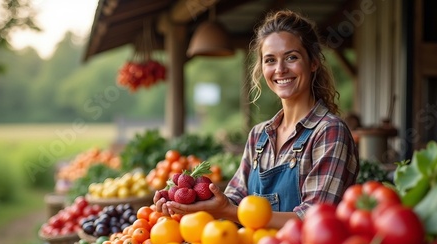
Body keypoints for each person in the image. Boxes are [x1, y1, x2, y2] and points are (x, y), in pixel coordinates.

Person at [154, 9, 359, 229]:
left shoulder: (329, 132)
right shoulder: (259, 136)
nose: (280, 69)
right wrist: (197, 201)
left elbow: (312, 219)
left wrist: (228, 211)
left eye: (292, 57)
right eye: (270, 60)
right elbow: (236, 197)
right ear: (262, 68)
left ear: (313, 63)